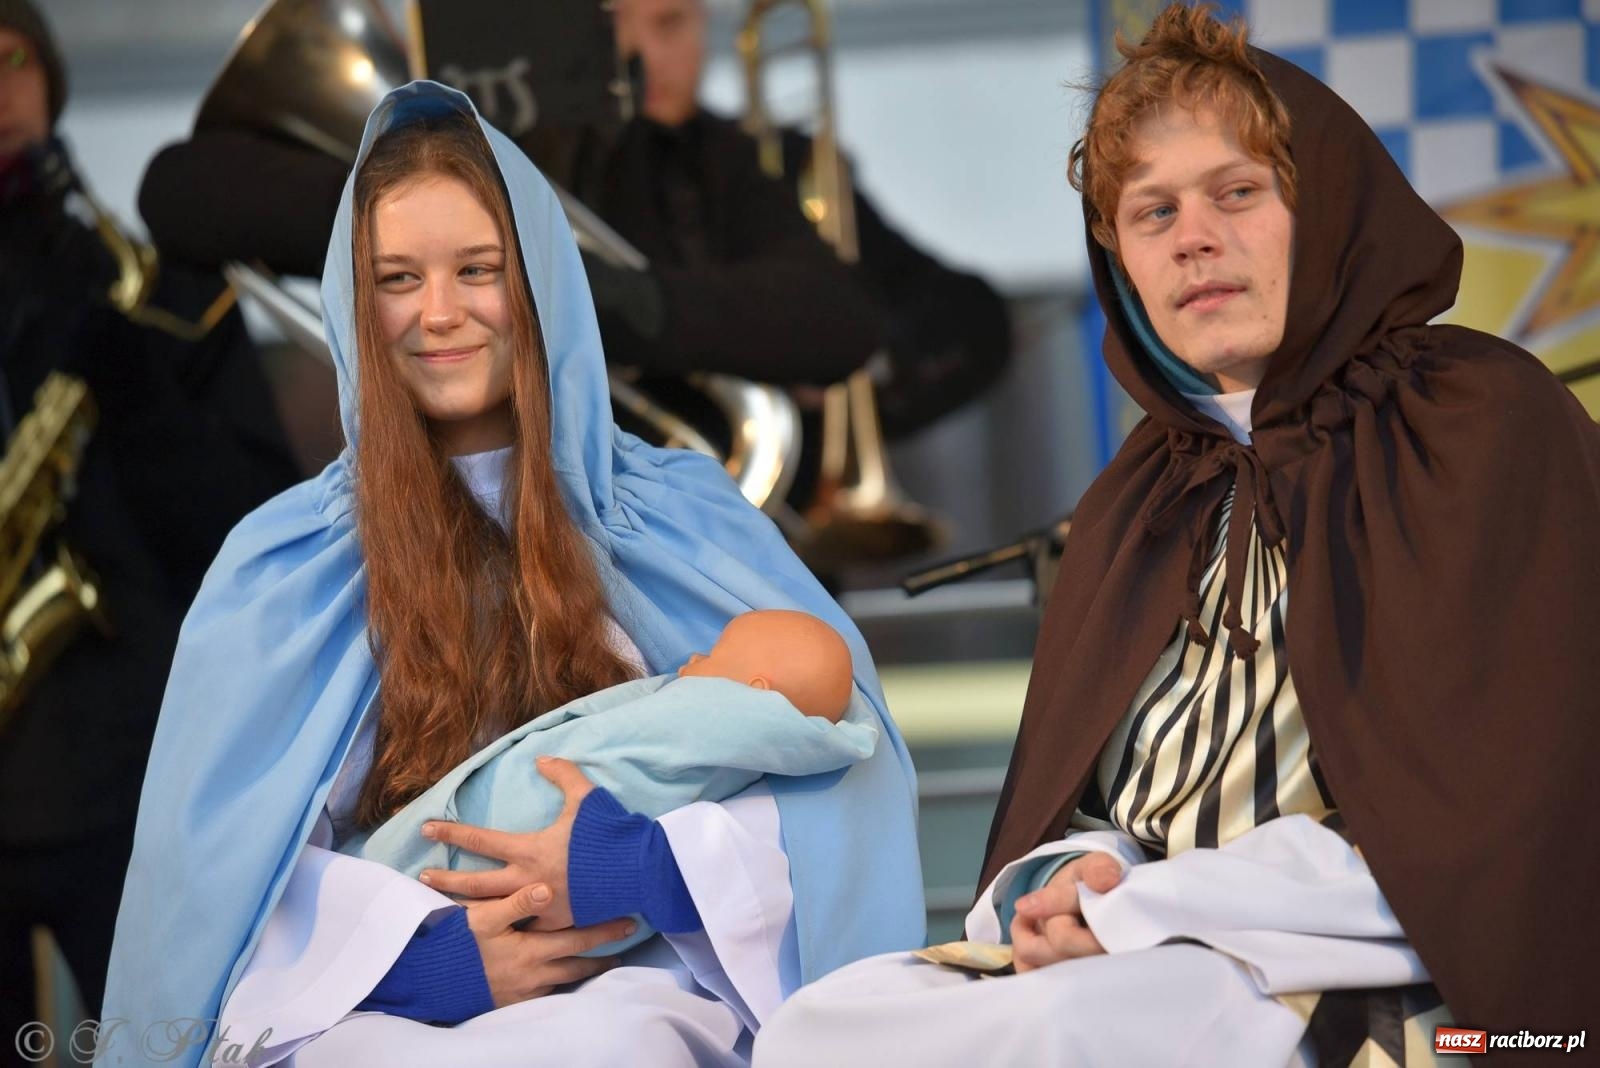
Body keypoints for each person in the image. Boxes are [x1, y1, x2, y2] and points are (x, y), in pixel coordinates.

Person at [753, 5, 1600, 1066]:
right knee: (820, 1029)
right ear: (1121, 263)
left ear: (1327, 209)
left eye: (1237, 193)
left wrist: (1152, 906)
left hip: (1371, 963)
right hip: (1139, 944)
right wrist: (1069, 880)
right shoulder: (1144, 492)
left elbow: (1498, 821)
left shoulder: (1473, 423)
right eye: (1150, 214)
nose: (1193, 237)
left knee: (1057, 1035)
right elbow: (1096, 800)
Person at [101, 81, 922, 1068]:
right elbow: (217, 885)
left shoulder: (679, 515)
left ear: (540, 283)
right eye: (397, 278)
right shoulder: (287, 566)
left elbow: (837, 779)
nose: (437, 314)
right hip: (375, 1012)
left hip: (638, 987)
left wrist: (651, 869)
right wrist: (425, 964)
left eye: (477, 269)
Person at [0, 0, 299, 1046]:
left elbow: (255, 532)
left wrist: (137, 392)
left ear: (50, 80)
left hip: (133, 780)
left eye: (10, 62)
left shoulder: (154, 293)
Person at [346, 608, 869, 925]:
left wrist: (634, 869)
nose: (689, 662)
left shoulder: (714, 716)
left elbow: (619, 748)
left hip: (526, 870)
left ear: (755, 695)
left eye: (713, 654)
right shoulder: (758, 741)